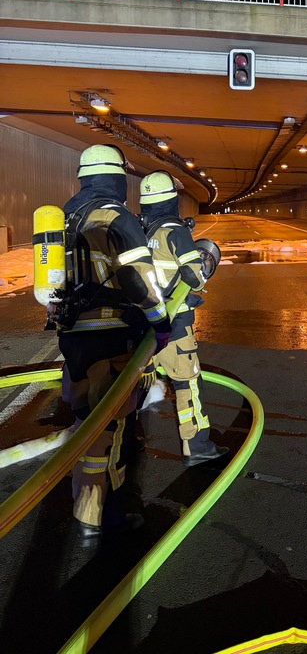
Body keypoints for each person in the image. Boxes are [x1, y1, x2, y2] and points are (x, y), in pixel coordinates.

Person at [56, 144, 172, 548]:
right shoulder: (115, 217)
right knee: (112, 428)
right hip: (111, 336)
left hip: (72, 340)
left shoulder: (66, 217)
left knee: (87, 423)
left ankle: (87, 512)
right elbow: (140, 280)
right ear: (117, 179)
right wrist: (160, 324)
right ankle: (109, 519)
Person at [138, 170, 228, 465]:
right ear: (172, 201)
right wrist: (203, 266)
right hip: (174, 327)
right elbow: (195, 275)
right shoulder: (174, 230)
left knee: (137, 384)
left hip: (144, 325)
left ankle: (124, 443)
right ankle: (197, 446)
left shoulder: (141, 230)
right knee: (187, 384)